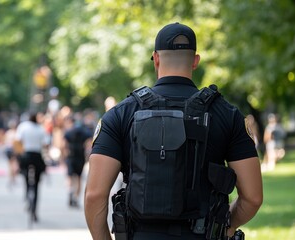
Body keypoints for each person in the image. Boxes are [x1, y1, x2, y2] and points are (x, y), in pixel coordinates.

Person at [84, 22, 263, 239]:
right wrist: (224, 227)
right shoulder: (228, 115)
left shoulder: (120, 114)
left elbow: (94, 196)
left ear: (156, 59)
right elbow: (252, 198)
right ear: (195, 61)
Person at [14, 112, 48, 222]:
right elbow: (46, 143)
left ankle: (28, 196)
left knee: (25, 176)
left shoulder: (23, 127)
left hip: (26, 155)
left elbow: (17, 141)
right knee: (37, 184)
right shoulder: (40, 129)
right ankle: (34, 209)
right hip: (37, 156)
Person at [64, 114, 93, 208]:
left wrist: (64, 154)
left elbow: (63, 144)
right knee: (79, 178)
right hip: (80, 156)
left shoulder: (68, 132)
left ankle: (70, 191)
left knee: (70, 176)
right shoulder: (84, 131)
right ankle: (76, 197)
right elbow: (90, 142)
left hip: (70, 156)